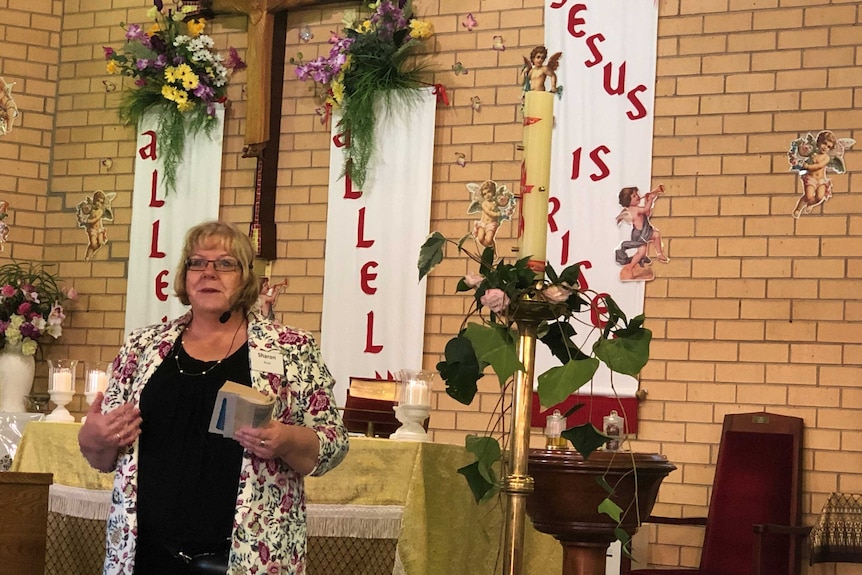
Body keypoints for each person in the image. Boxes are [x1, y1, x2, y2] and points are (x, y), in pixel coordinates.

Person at [78, 220, 349, 575]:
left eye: (225, 264)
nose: (209, 273)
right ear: (184, 275)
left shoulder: (290, 348)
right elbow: (102, 456)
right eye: (197, 262)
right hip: (144, 554)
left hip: (248, 556)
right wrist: (93, 437)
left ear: (247, 277)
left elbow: (333, 443)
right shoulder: (142, 346)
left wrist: (285, 439)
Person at [615, 185, 668, 282]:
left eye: (637, 194)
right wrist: (651, 199)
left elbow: (647, 214)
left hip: (642, 232)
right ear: (628, 201)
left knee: (655, 235)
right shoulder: (635, 210)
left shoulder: (634, 209)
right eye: (634, 196)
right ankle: (630, 267)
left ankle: (659, 254)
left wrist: (649, 200)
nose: (638, 196)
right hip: (640, 234)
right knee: (641, 252)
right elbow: (646, 210)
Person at [792, 130, 837, 218]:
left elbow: (819, 166)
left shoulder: (826, 157)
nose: (825, 147)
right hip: (811, 178)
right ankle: (798, 208)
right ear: (819, 142)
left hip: (821, 180)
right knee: (808, 195)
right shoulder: (813, 154)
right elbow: (802, 156)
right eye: (824, 143)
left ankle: (810, 204)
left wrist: (808, 166)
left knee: (820, 197)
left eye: (828, 147)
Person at [472, 180, 503, 248]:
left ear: (493, 191)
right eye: (485, 194)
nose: (487, 195)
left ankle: (491, 247)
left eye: (489, 192)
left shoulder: (495, 203)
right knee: (480, 238)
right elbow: (488, 212)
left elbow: (502, 205)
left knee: (489, 239)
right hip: (483, 224)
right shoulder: (484, 203)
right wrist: (497, 214)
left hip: (491, 224)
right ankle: (490, 248)